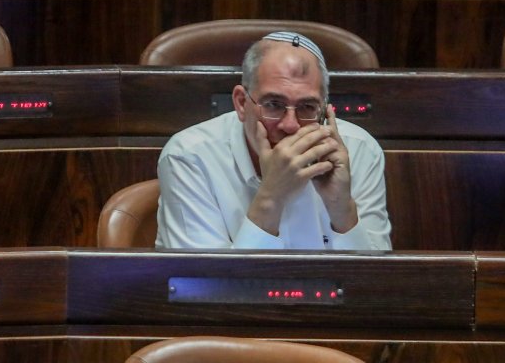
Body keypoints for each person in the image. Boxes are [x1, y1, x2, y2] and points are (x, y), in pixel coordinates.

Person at [156, 31, 391, 250]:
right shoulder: (189, 156)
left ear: (324, 110)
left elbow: (377, 288)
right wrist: (271, 197)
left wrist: (342, 209)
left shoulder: (360, 151)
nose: (290, 125)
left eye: (307, 107)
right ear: (241, 103)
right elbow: (203, 288)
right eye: (273, 105)